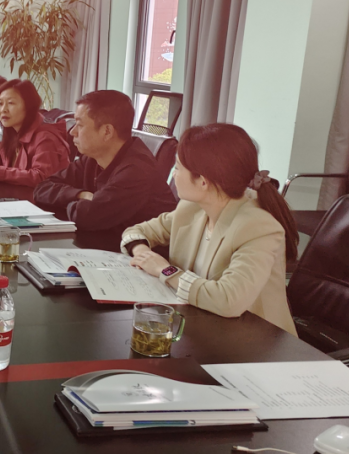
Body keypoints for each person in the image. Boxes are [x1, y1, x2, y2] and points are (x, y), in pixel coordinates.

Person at [121, 124, 298, 335]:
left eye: (177, 167)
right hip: (202, 327)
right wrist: (143, 253)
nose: (174, 175)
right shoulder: (192, 208)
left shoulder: (258, 228)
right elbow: (136, 232)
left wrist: (164, 270)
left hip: (254, 340)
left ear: (203, 181)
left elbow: (229, 300)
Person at [33, 90, 177, 232]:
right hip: (106, 241)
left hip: (142, 247)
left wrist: (67, 199)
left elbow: (86, 216)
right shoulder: (93, 158)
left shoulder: (137, 171)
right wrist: (80, 195)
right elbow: (42, 188)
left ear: (107, 132)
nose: (72, 132)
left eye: (80, 125)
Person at [0, 79, 70, 185]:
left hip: (40, 197)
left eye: (11, 103)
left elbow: (40, 177)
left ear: (28, 106)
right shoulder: (14, 130)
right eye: (0, 103)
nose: (3, 109)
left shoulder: (46, 138)